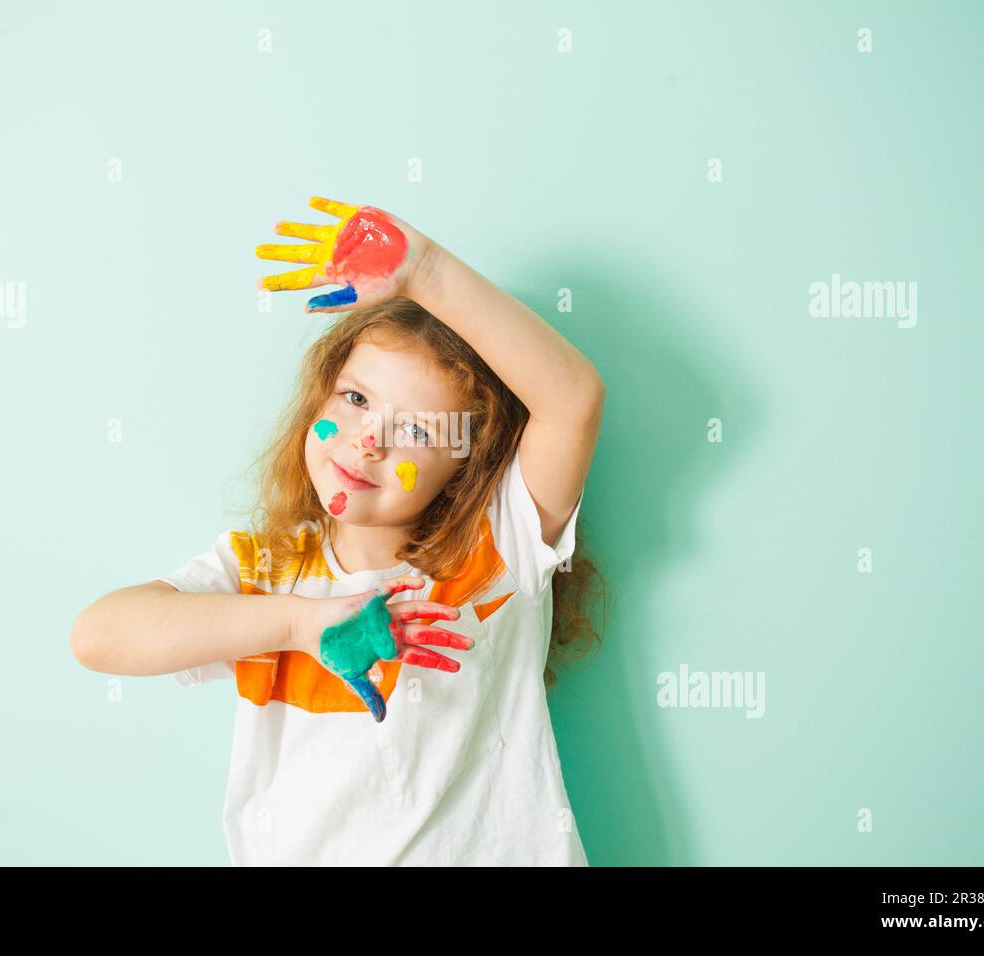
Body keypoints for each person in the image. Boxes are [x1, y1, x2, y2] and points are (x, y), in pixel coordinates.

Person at [72, 197, 606, 865]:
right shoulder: (266, 572)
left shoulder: (500, 549)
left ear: (468, 467)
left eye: (415, 430)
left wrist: (425, 270)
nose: (366, 441)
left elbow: (574, 399)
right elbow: (97, 636)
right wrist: (300, 625)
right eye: (354, 400)